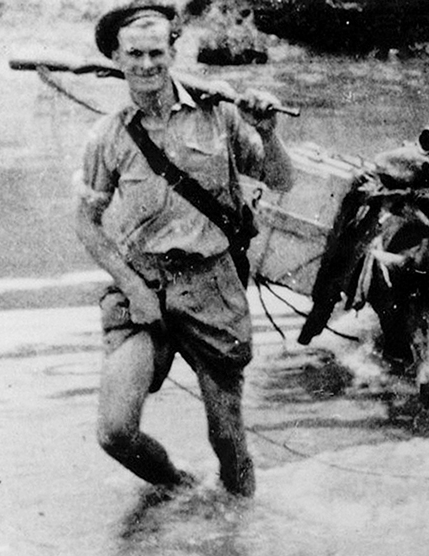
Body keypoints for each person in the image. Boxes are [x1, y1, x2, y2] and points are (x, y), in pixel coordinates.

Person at [74, 0, 294, 497]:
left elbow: (280, 179)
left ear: (172, 52)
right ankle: (177, 487)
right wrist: (133, 288)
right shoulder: (106, 136)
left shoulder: (219, 115)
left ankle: (238, 539)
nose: (147, 65)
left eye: (157, 52)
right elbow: (86, 222)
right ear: (116, 57)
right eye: (135, 54)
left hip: (212, 285)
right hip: (142, 286)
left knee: (228, 439)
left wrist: (266, 130)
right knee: (114, 432)